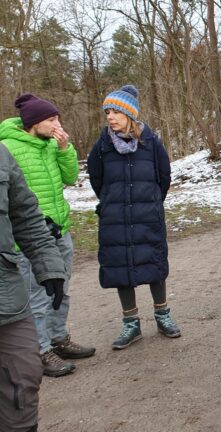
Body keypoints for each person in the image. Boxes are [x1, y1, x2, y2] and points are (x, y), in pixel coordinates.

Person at [0, 94, 95, 377]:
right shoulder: (8, 148)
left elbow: (70, 178)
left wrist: (65, 149)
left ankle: (58, 339)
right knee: (36, 297)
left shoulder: (53, 145)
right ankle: (39, 351)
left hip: (59, 229)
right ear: (34, 123)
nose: (57, 124)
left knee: (60, 290)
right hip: (28, 238)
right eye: (52, 120)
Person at [87, 85, 180, 350]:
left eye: (115, 111)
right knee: (120, 266)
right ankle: (131, 323)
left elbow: (164, 177)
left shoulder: (151, 143)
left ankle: (163, 315)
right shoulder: (102, 146)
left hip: (147, 215)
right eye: (107, 112)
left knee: (154, 262)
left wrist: (149, 203)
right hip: (115, 216)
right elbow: (97, 179)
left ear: (130, 114)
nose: (110, 117)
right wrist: (113, 203)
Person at [0, 143, 67, 432]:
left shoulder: (1, 154)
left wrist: (48, 264)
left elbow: (25, 214)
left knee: (23, 374)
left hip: (6, 294)